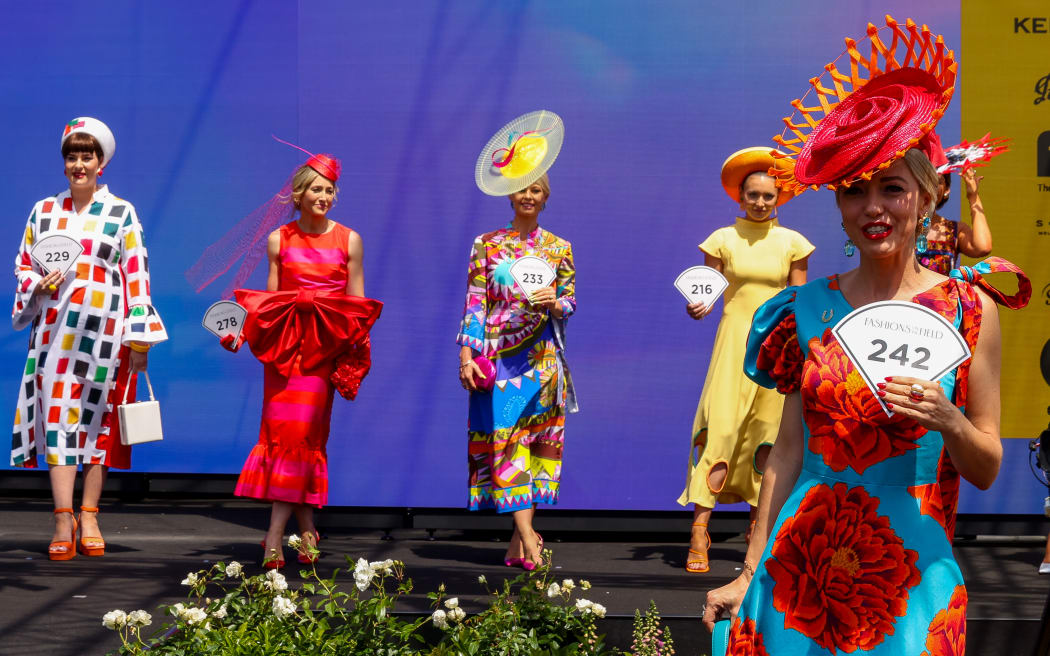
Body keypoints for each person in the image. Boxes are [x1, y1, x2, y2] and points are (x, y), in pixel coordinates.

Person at [702, 17, 1031, 653]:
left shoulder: (970, 311)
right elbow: (789, 453)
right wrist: (747, 571)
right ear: (838, 207)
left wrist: (951, 422)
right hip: (800, 574)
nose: (873, 208)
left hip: (914, 584)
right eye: (855, 192)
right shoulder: (806, 308)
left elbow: (986, 466)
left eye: (892, 189)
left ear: (928, 197)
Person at [189, 151, 381, 568]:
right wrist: (240, 334)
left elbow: (358, 306)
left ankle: (274, 534)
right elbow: (269, 306)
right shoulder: (280, 239)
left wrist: (351, 354)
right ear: (299, 194)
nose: (324, 196)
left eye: (330, 190)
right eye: (317, 188)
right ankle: (307, 530)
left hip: (321, 353)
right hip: (283, 355)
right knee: (285, 439)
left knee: (302, 438)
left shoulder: (350, 240)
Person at [10, 117, 167, 560]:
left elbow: (137, 276)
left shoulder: (121, 212)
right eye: (72, 157)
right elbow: (23, 266)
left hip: (106, 336)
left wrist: (139, 343)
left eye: (87, 156)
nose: (79, 164)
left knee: (98, 426)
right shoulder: (43, 212)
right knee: (57, 420)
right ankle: (63, 518)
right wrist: (36, 285)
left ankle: (91, 514)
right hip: (55, 337)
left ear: (102, 163)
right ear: (64, 165)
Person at [677, 147, 813, 574]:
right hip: (733, 341)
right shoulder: (722, 239)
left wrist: (802, 344)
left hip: (777, 346)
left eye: (768, 196)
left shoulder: (793, 243)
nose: (760, 202)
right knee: (720, 427)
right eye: (753, 195)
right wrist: (695, 307)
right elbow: (706, 293)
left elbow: (798, 299)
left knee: (767, 436)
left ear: (779, 199)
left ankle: (759, 535)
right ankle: (700, 530)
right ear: (740, 196)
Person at [460, 111, 575, 571]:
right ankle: (530, 538)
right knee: (505, 443)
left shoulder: (559, 248)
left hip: (544, 359)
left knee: (533, 442)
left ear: (545, 198)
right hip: (498, 361)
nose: (529, 195)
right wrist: (467, 353)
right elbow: (474, 302)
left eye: (537, 190)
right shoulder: (485, 244)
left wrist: (553, 302)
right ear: (510, 193)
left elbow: (570, 304)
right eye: (523, 188)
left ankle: (517, 541)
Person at [915, 134, 993, 275]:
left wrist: (973, 197)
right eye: (925, 180)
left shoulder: (954, 230)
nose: (930, 187)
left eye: (937, 181)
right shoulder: (901, 225)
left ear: (946, 189)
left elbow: (982, 247)